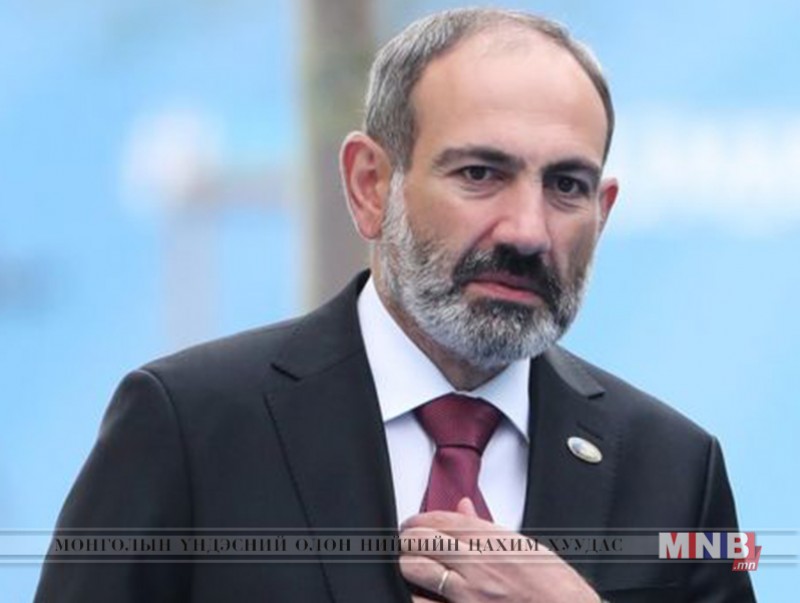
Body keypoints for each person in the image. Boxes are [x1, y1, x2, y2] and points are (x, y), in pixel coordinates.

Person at [35, 8, 756, 603]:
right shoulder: (190, 427)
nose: (528, 232)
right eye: (480, 173)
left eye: (566, 186)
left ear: (604, 210)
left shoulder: (674, 471)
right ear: (370, 185)